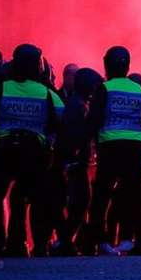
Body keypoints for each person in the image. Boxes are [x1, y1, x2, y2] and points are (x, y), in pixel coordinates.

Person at [0, 44, 62, 257]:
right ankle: (38, 245)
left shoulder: (1, 87)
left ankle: (3, 244)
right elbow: (60, 117)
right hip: (34, 153)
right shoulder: (45, 92)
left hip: (5, 150)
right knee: (32, 199)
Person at [86, 46, 141, 256]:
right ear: (128, 65)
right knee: (136, 197)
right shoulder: (139, 90)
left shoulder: (104, 88)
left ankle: (98, 242)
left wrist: (92, 142)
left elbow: (94, 119)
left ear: (107, 64)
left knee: (101, 197)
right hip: (135, 149)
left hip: (109, 149)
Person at [52, 67, 103, 255]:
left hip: (76, 160)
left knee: (79, 203)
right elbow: (74, 135)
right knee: (81, 202)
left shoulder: (78, 102)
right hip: (76, 161)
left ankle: (66, 241)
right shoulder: (78, 106)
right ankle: (65, 241)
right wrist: (74, 157)